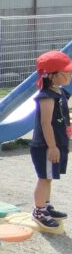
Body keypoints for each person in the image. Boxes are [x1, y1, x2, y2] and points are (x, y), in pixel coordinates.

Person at [29, 50, 72, 228]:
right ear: (52, 76)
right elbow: (46, 123)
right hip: (46, 146)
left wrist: (66, 140)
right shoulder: (46, 96)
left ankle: (45, 205)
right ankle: (38, 211)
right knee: (44, 178)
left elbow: (62, 117)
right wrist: (53, 147)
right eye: (66, 73)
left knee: (50, 177)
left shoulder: (60, 92)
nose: (70, 75)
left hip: (57, 143)